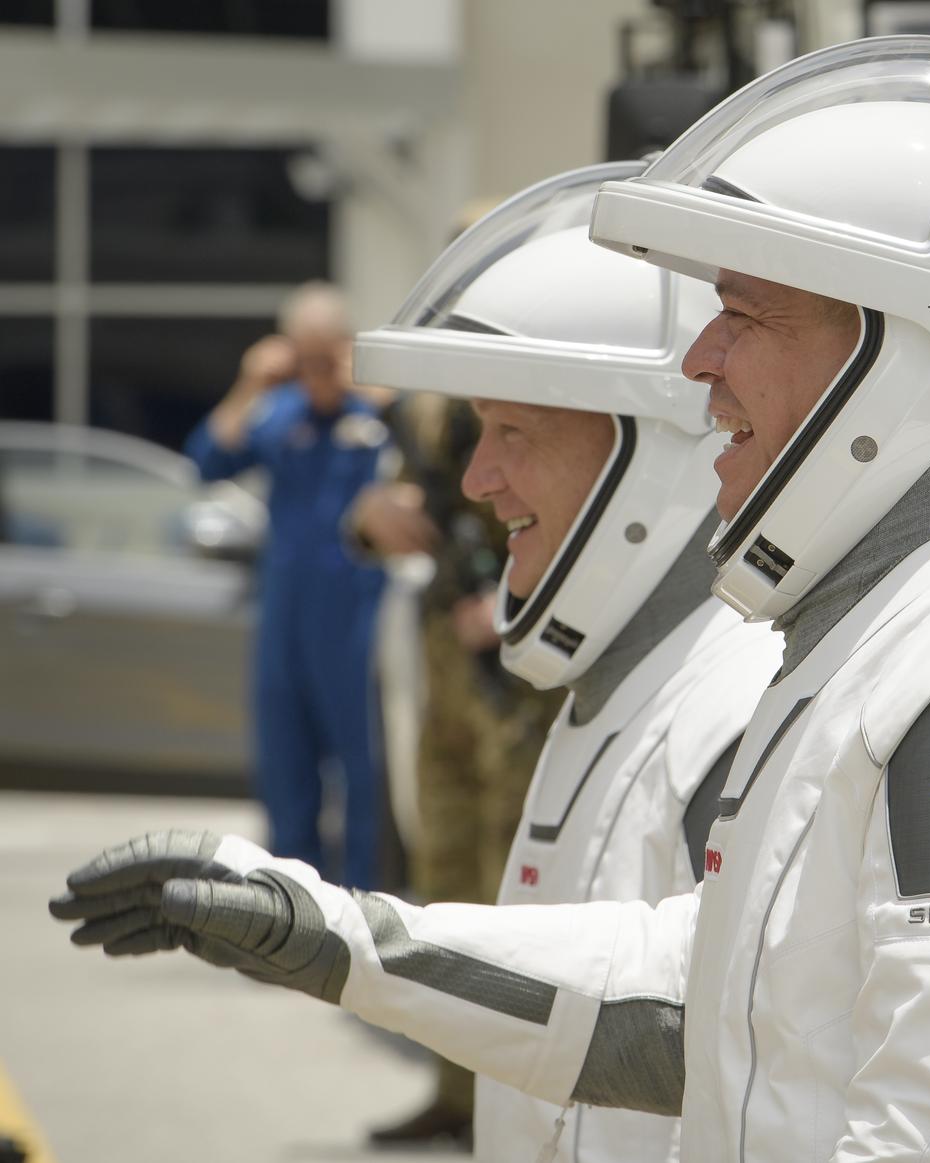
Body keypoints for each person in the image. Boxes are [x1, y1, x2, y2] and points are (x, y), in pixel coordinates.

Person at [50, 34, 930, 1161]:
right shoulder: (919, 633)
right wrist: (332, 932)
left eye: (746, 311)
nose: (696, 361)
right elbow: (723, 992)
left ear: (908, 346)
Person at [54, 162, 781, 1163]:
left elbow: (687, 1007)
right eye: (481, 429)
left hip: (472, 656)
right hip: (421, 645)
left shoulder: (732, 709)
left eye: (514, 429)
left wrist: (339, 939)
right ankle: (451, 1087)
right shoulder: (622, 692)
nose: (480, 473)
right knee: (445, 850)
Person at [352, 393, 561, 1147]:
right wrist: (375, 513)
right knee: (445, 888)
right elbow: (397, 503)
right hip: (448, 683)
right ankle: (457, 1088)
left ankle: (511, 1105)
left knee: (514, 897)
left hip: (521, 690)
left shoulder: (533, 392)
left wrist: (520, 604)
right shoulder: (431, 414)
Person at [183, 282, 390, 890]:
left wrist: (373, 390)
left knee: (360, 767)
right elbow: (205, 460)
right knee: (284, 759)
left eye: (326, 358)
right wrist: (251, 383)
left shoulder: (372, 415)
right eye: (305, 360)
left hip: (353, 618)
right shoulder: (278, 413)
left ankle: (362, 896)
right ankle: (289, 896)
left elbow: (424, 461)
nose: (316, 374)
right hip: (285, 616)